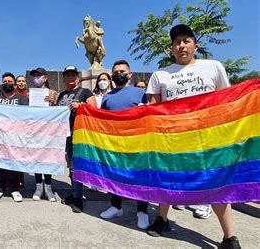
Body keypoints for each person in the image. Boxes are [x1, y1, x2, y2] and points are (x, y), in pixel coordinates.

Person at [145, 24, 240, 248]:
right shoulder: (160, 75)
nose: (181, 45)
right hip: (172, 140)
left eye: (186, 41)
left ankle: (229, 236)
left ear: (195, 46)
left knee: (216, 183)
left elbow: (226, 101)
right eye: (177, 42)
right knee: (166, 179)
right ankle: (162, 219)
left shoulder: (214, 67)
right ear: (171, 49)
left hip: (208, 140)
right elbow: (152, 109)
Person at [98, 60, 150, 229]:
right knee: (114, 174)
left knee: (139, 177)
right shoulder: (107, 96)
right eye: (116, 71)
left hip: (136, 143)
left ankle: (142, 211)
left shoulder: (140, 93)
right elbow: (102, 119)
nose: (119, 74)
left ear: (130, 74)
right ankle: (116, 206)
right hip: (114, 143)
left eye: (122, 71)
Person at [58, 65, 96, 213]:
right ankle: (74, 192)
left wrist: (80, 105)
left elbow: (94, 109)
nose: (70, 77)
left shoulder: (85, 92)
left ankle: (79, 198)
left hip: (80, 133)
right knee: (71, 164)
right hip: (66, 133)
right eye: (67, 75)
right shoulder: (61, 95)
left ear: (78, 78)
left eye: (73, 75)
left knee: (77, 165)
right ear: (64, 78)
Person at [0, 72, 29, 202]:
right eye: (5, 82)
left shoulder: (22, 99)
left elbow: (27, 116)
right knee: (0, 162)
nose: (7, 84)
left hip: (15, 136)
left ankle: (14, 188)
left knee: (13, 162)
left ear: (15, 84)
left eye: (10, 82)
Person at [29, 67, 58, 202]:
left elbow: (60, 110)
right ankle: (38, 187)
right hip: (35, 131)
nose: (36, 78)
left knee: (48, 159)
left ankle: (48, 187)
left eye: (39, 76)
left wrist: (53, 102)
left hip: (49, 132)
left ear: (45, 78)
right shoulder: (30, 94)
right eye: (34, 76)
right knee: (37, 159)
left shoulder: (53, 93)